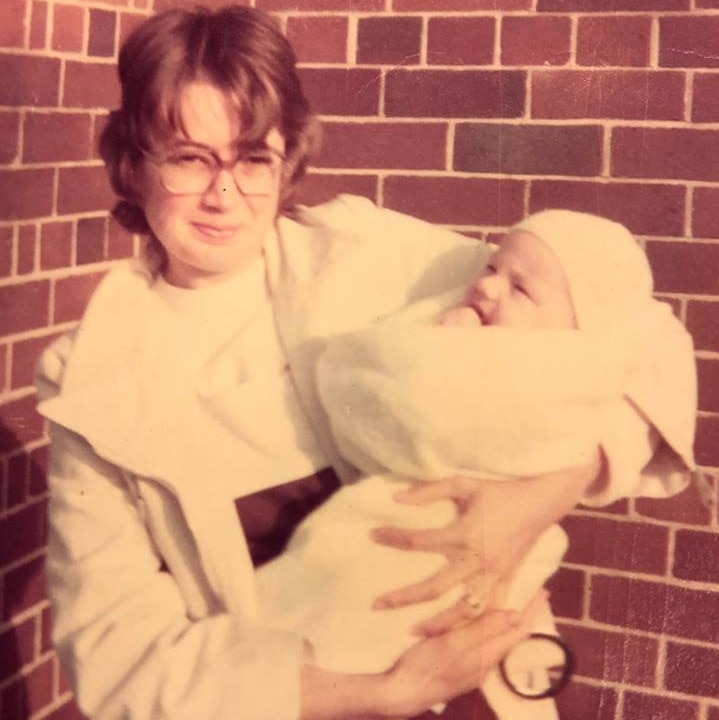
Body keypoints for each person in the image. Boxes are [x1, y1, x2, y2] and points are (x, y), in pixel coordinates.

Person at [33, 6, 694, 720]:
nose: (224, 194)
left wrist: (545, 492)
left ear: (287, 160)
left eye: (253, 158)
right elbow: (117, 656)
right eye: (190, 158)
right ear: (133, 163)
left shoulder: (364, 254)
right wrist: (386, 692)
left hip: (490, 683)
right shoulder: (91, 376)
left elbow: (637, 338)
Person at [254, 209, 697, 720]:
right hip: (352, 596)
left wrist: (558, 481)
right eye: (490, 270)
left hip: (476, 592)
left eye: (519, 288)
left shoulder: (371, 238)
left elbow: (652, 342)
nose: (487, 286)